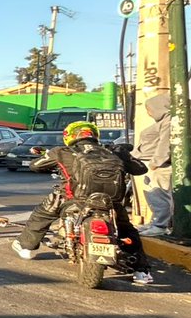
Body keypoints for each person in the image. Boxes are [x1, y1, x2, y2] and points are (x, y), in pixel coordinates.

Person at [12, 121, 153, 283]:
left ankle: (26, 247)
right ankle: (142, 271)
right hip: (110, 203)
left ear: (69, 137)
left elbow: (34, 166)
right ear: (95, 136)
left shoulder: (62, 152)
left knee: (42, 213)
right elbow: (141, 169)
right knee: (127, 230)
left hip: (74, 200)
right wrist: (124, 154)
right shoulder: (113, 151)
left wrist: (51, 156)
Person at [136, 93, 172, 236]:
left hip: (158, 166)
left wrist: (155, 163)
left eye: (149, 108)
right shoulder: (162, 121)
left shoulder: (168, 121)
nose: (148, 112)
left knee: (159, 195)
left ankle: (160, 226)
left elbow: (165, 144)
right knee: (154, 195)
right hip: (150, 164)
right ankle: (156, 222)